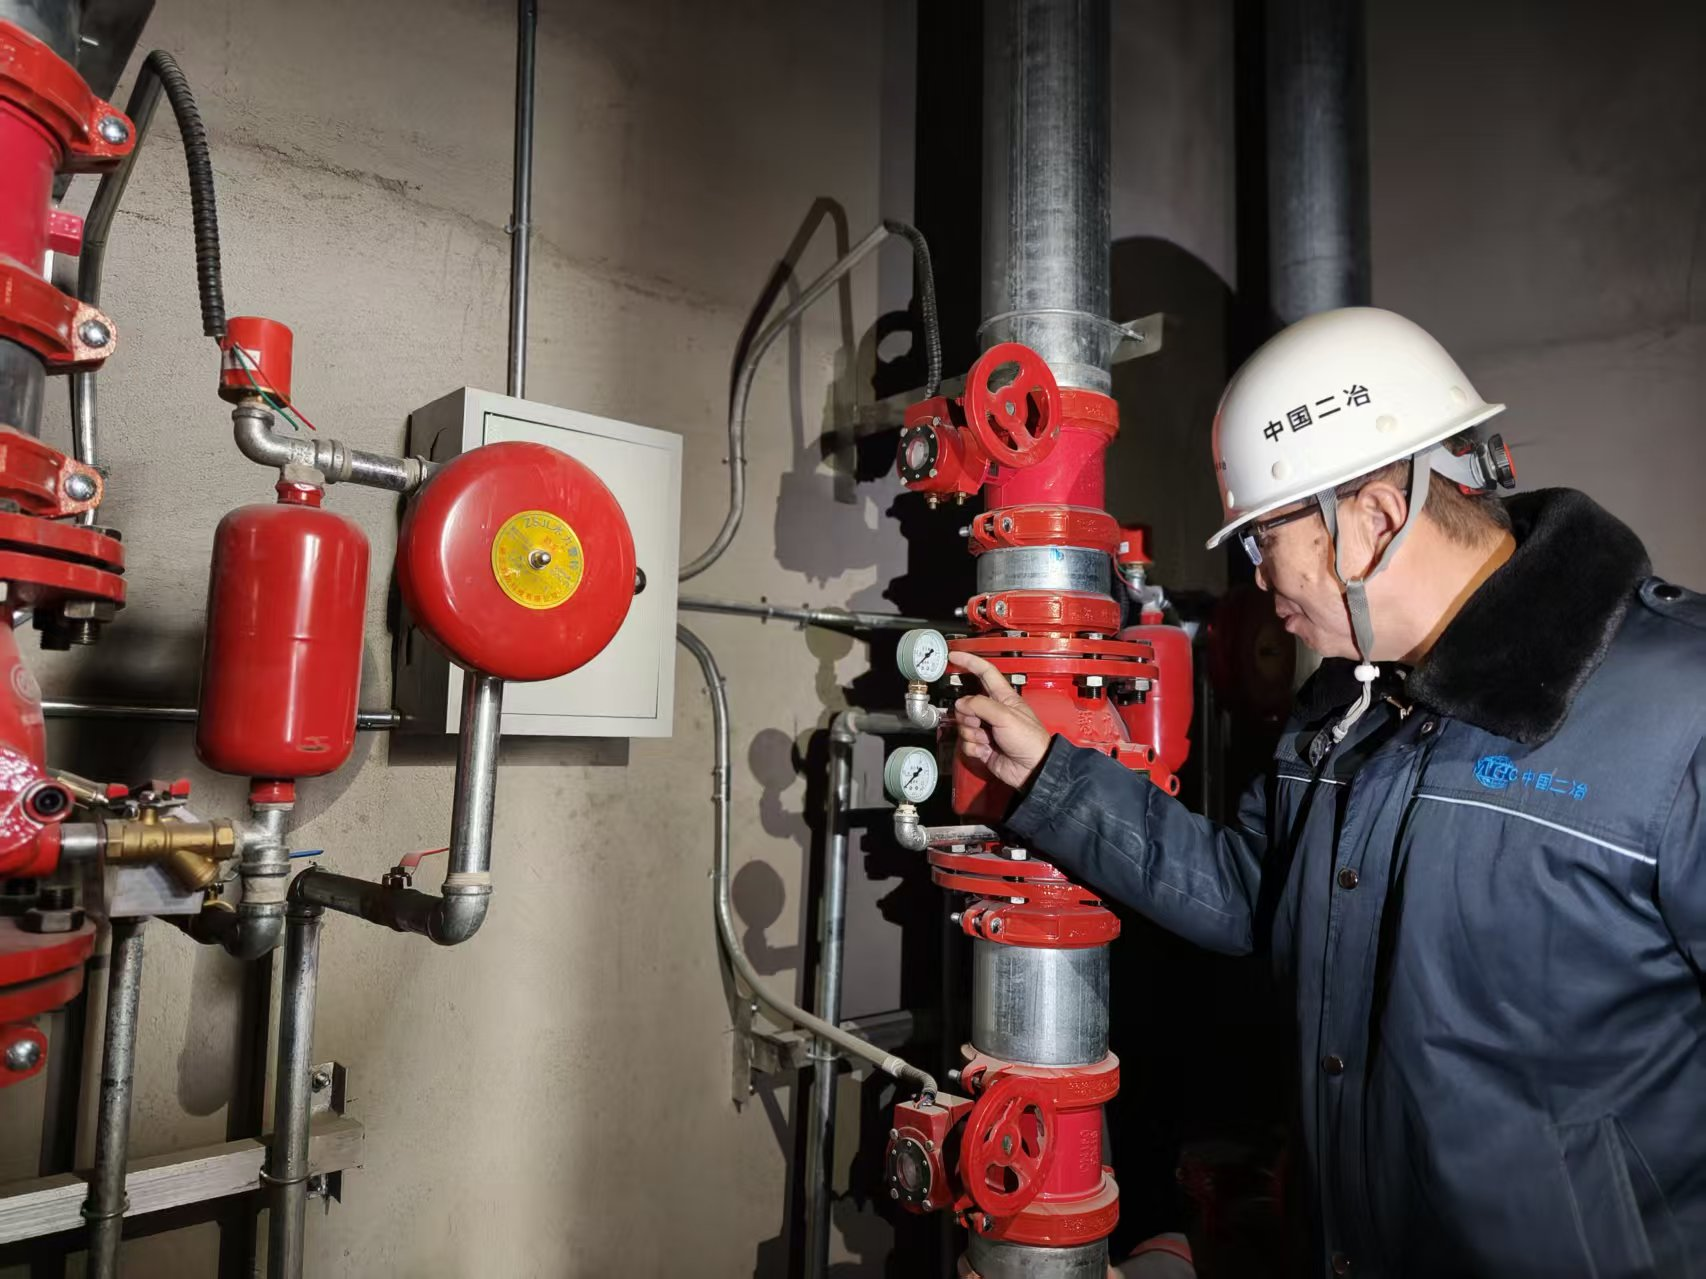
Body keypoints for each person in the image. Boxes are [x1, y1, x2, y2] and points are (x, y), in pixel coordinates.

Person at [948, 307, 1706, 1277]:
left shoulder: (1680, 710)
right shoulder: (1345, 701)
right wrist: (1048, 776)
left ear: (1375, 520)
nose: (1258, 580)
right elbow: (1249, 893)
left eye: (1262, 539)